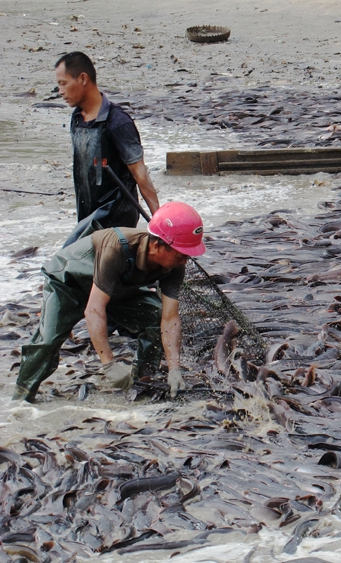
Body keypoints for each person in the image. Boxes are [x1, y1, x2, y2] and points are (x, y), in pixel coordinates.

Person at [12, 202, 206, 403]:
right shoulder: (117, 247)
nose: (185, 261)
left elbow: (170, 317)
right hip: (70, 282)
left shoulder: (175, 265)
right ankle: (21, 397)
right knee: (48, 341)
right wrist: (109, 364)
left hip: (116, 289)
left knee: (154, 317)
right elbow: (94, 310)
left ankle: (142, 381)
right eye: (181, 254)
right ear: (157, 245)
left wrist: (174, 367)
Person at [54, 51, 161, 246]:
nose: (59, 91)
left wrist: (160, 222)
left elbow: (140, 174)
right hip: (88, 218)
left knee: (65, 264)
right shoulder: (77, 118)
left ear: (83, 79)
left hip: (115, 221)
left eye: (63, 84)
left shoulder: (118, 122)